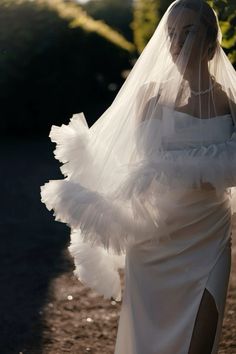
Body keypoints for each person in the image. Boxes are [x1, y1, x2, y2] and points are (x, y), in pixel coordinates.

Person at [40, 0, 236, 353]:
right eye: (172, 34)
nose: (177, 44)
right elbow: (145, 162)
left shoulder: (230, 101)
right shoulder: (151, 96)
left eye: (188, 33)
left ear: (211, 42)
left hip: (209, 237)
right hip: (156, 238)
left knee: (201, 340)